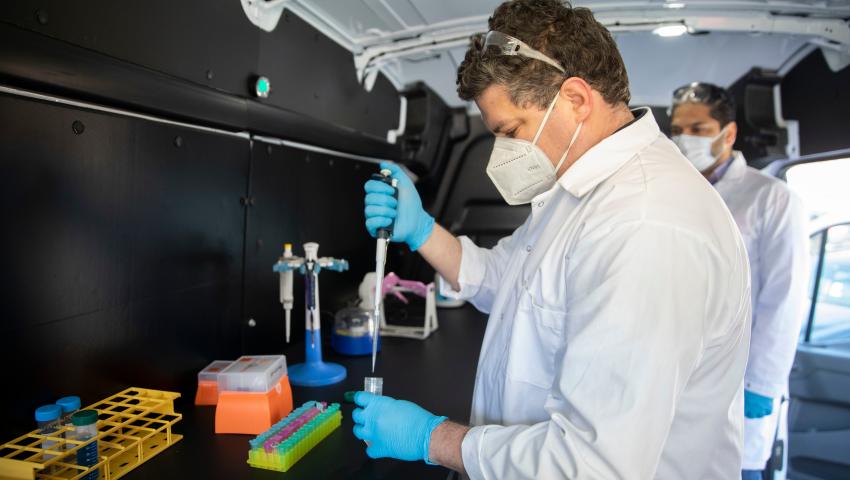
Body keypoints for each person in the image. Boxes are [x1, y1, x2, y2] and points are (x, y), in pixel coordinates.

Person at [354, 0, 752, 477]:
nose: (502, 152)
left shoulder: (646, 224)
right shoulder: (581, 189)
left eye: (510, 130)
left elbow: (592, 465)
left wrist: (432, 438)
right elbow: (506, 280)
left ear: (577, 99)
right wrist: (421, 230)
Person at [670, 82, 809, 480]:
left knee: (732, 465)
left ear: (728, 133)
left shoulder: (772, 198)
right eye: (677, 130)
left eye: (698, 129)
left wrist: (761, 385)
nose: (685, 139)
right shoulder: (673, 193)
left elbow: (784, 299)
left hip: (741, 380)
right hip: (680, 377)